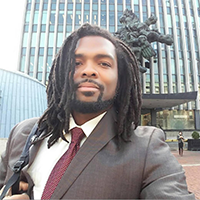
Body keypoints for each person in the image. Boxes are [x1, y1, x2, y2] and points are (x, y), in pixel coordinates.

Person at [0, 24, 194, 199]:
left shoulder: (147, 147)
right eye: (77, 63)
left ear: (120, 79)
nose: (89, 71)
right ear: (60, 73)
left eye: (104, 64)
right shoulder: (23, 133)